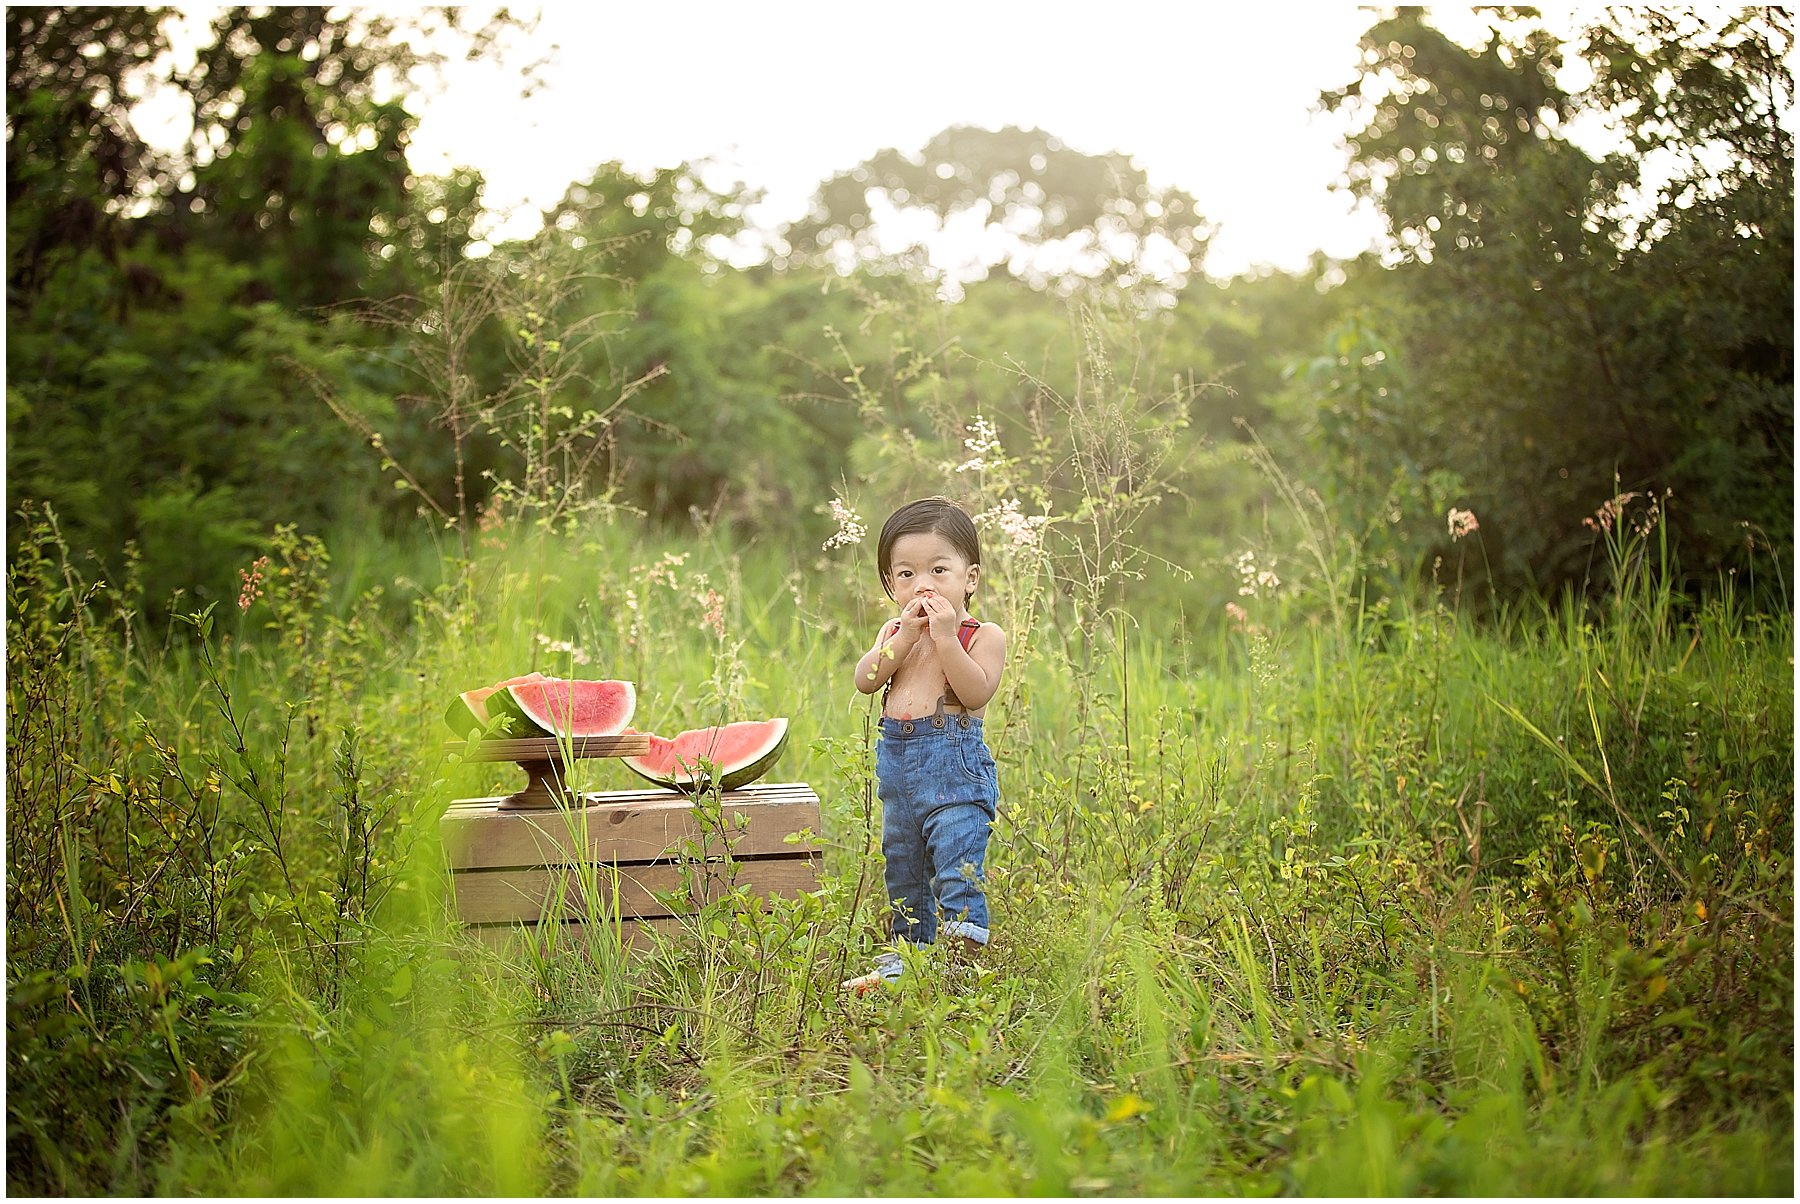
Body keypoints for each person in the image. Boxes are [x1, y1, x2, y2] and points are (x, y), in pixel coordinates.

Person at [842, 497, 1008, 992]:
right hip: (899, 772)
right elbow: (866, 681)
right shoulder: (894, 632)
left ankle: (960, 971)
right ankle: (905, 966)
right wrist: (900, 641)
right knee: (903, 869)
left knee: (957, 867)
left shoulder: (983, 634)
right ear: (892, 585)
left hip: (954, 771)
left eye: (939, 569)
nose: (924, 584)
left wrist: (944, 638)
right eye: (907, 574)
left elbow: (977, 690)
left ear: (969, 578)